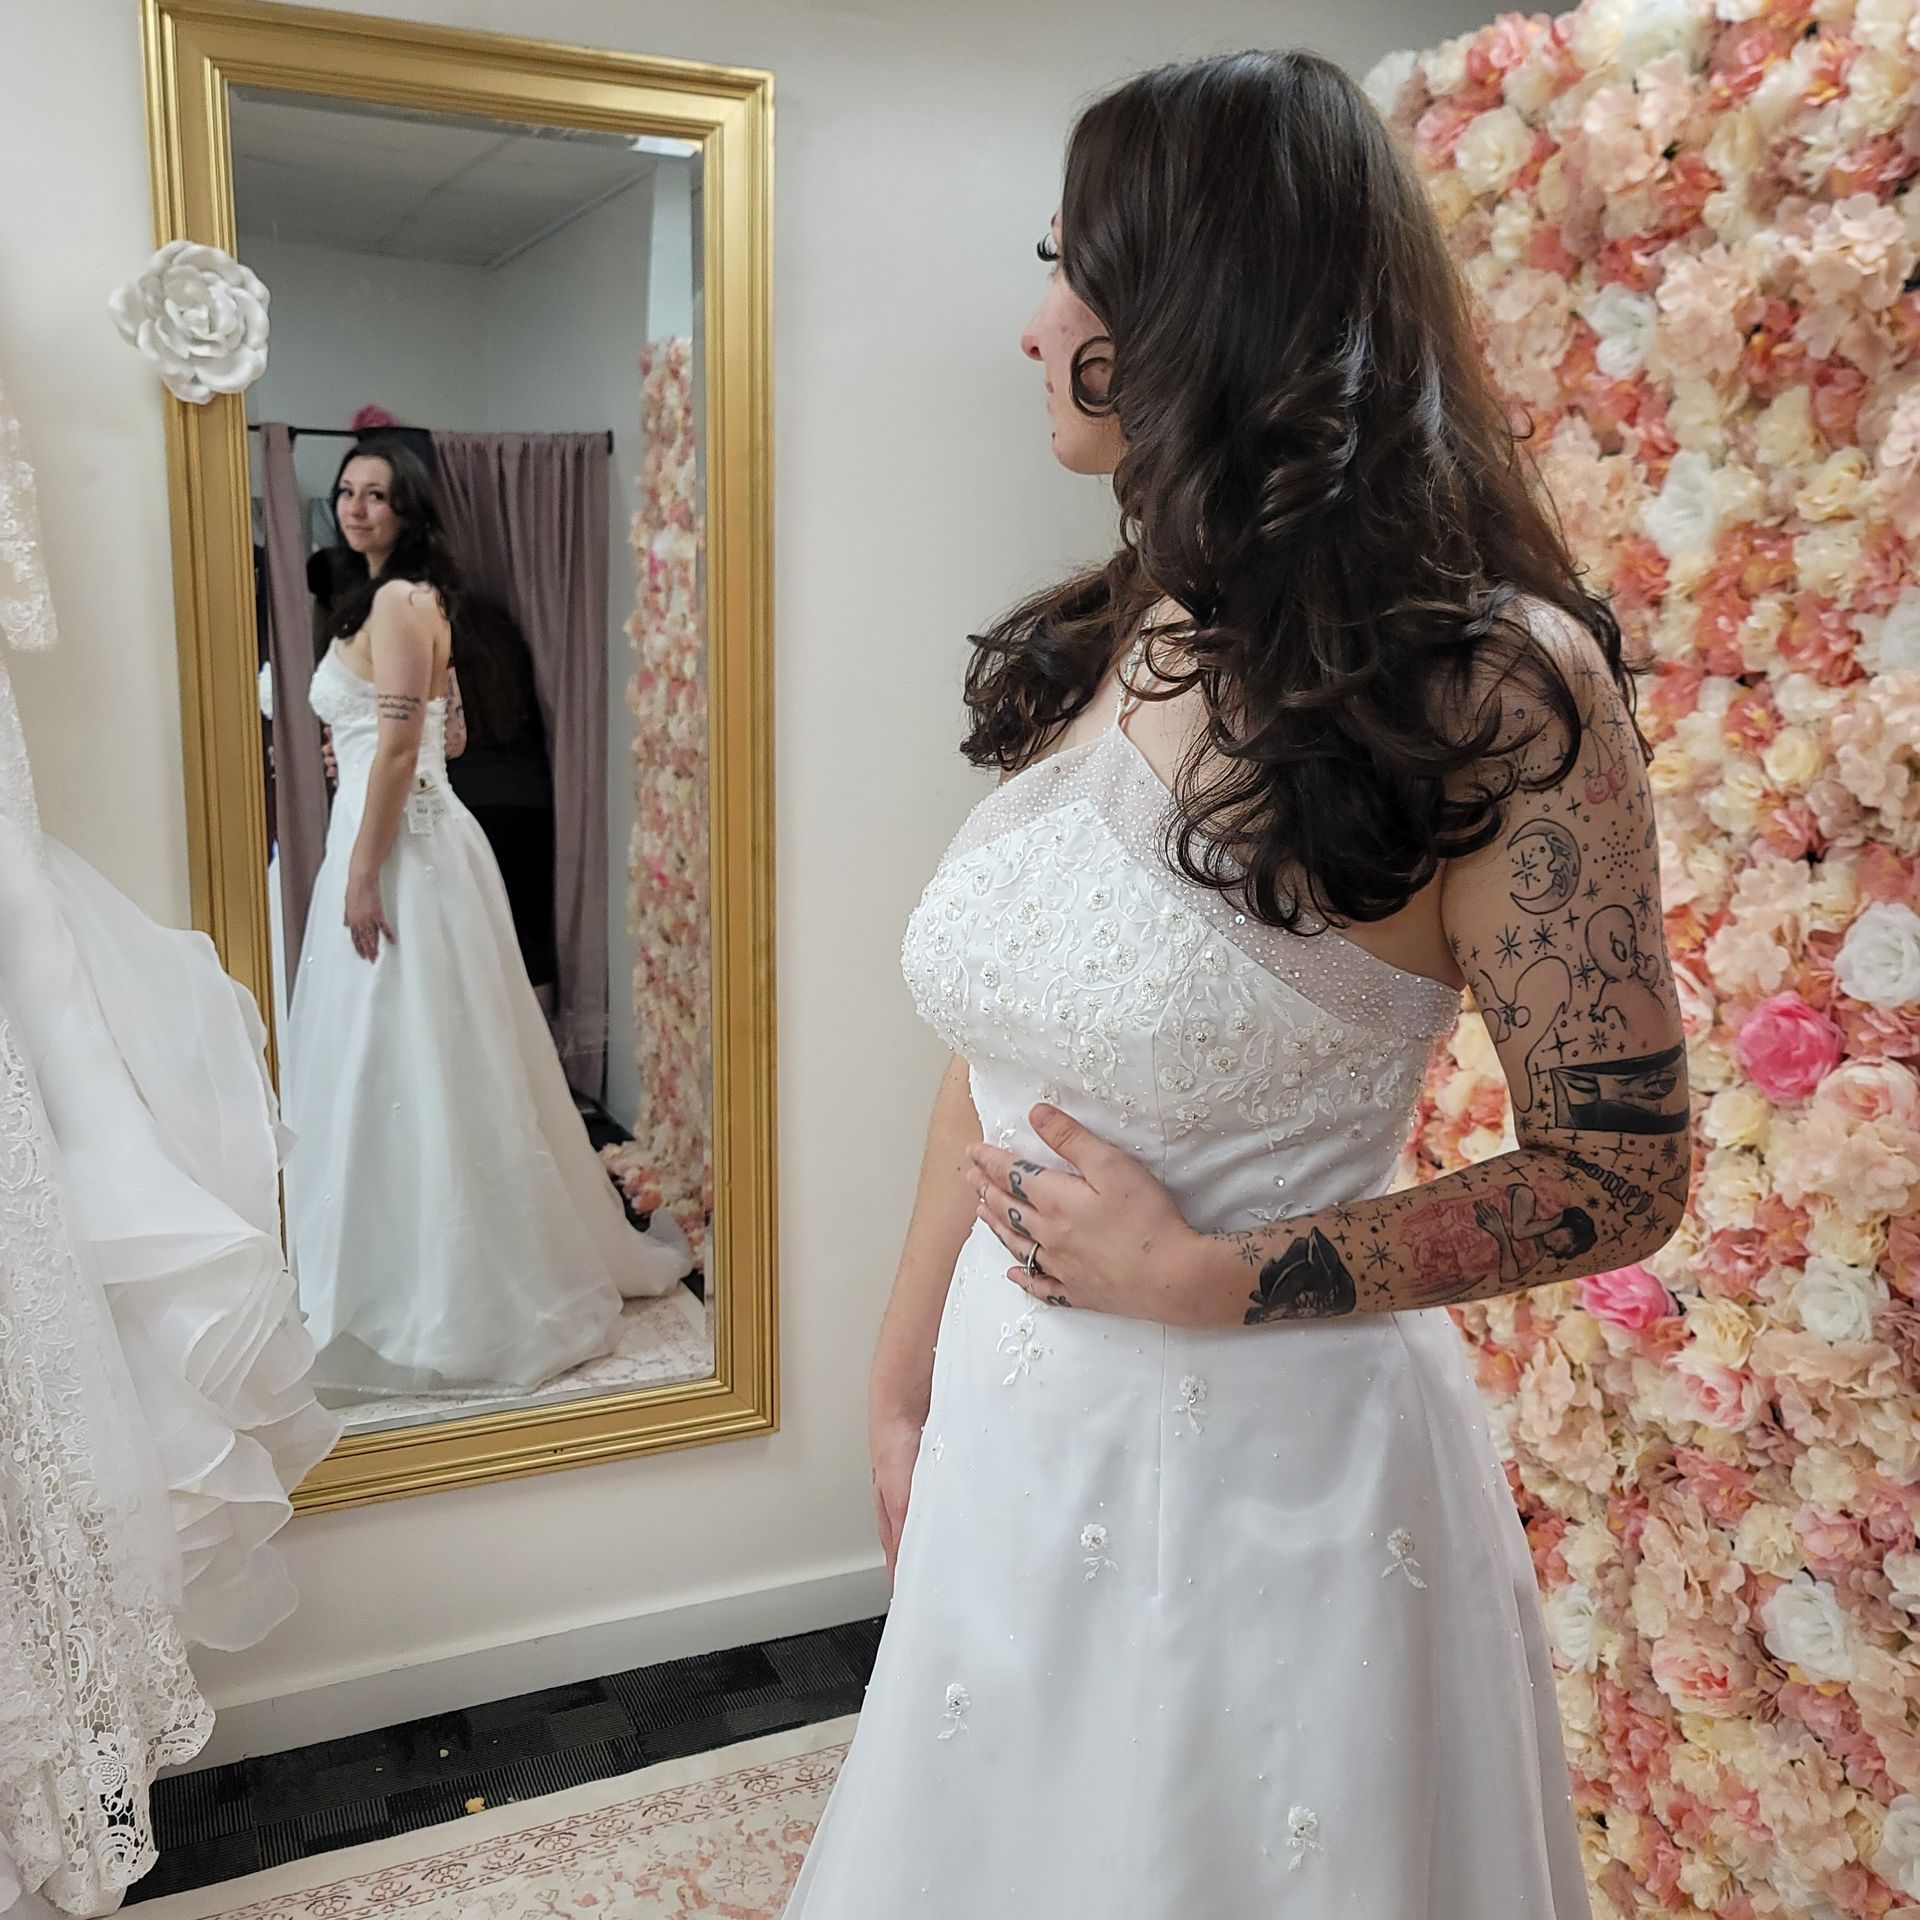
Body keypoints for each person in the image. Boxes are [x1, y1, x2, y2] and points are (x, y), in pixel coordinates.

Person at [782, 49, 1689, 1916]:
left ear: (1209, 302)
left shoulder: (1490, 688)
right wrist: (896, 1392)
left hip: (1285, 1479)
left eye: (1074, 270)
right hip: (1016, 1423)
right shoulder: (1120, 632)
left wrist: (1217, 1282)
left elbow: (1622, 1167)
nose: (1033, 330)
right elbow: (991, 1067)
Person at [282, 440, 693, 1401]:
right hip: (422, 840)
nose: (355, 506)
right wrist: (371, 750)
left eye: (377, 494)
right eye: (346, 491)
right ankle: (405, 1269)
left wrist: (362, 870)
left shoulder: (395, 602)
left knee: (413, 1050)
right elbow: (448, 735)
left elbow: (398, 755)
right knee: (423, 1052)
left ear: (410, 508)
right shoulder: (416, 604)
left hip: (400, 855)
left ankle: (427, 1288)